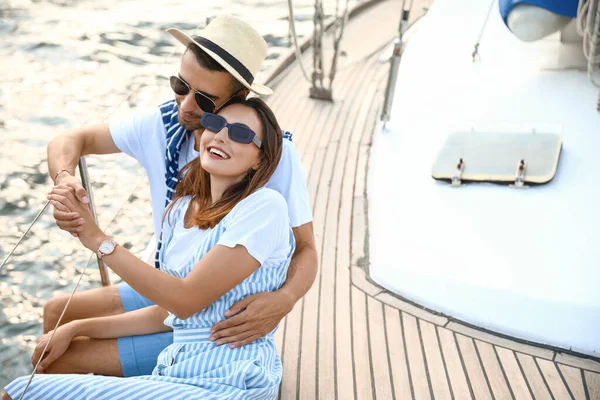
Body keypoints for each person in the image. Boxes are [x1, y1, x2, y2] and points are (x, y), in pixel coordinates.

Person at [40, 15, 318, 377]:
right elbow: (72, 140)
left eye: (205, 98)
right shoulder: (164, 123)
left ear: (241, 97)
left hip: (218, 316)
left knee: (61, 359)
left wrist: (284, 300)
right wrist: (64, 180)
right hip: (167, 283)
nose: (185, 106)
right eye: (179, 85)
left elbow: (306, 249)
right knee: (57, 311)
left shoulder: (269, 155)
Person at [4, 97, 294, 400]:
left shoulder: (264, 207)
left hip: (230, 377)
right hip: (177, 369)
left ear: (261, 159)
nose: (222, 135)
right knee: (31, 382)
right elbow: (170, 313)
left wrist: (96, 238)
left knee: (22, 393)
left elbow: (186, 300)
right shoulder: (180, 209)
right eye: (216, 124)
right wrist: (77, 327)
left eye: (241, 134)